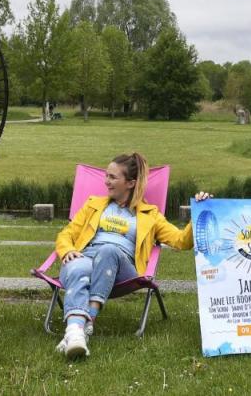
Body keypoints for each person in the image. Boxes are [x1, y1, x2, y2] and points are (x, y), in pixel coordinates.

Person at [54, 153, 198, 359]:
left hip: (122, 269)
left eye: (112, 177)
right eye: (106, 175)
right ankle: (76, 333)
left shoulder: (150, 215)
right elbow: (66, 234)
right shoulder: (94, 205)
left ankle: (89, 318)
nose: (106, 181)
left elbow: (181, 241)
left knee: (109, 250)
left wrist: (198, 213)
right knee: (77, 267)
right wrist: (68, 250)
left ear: (130, 183)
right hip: (87, 257)